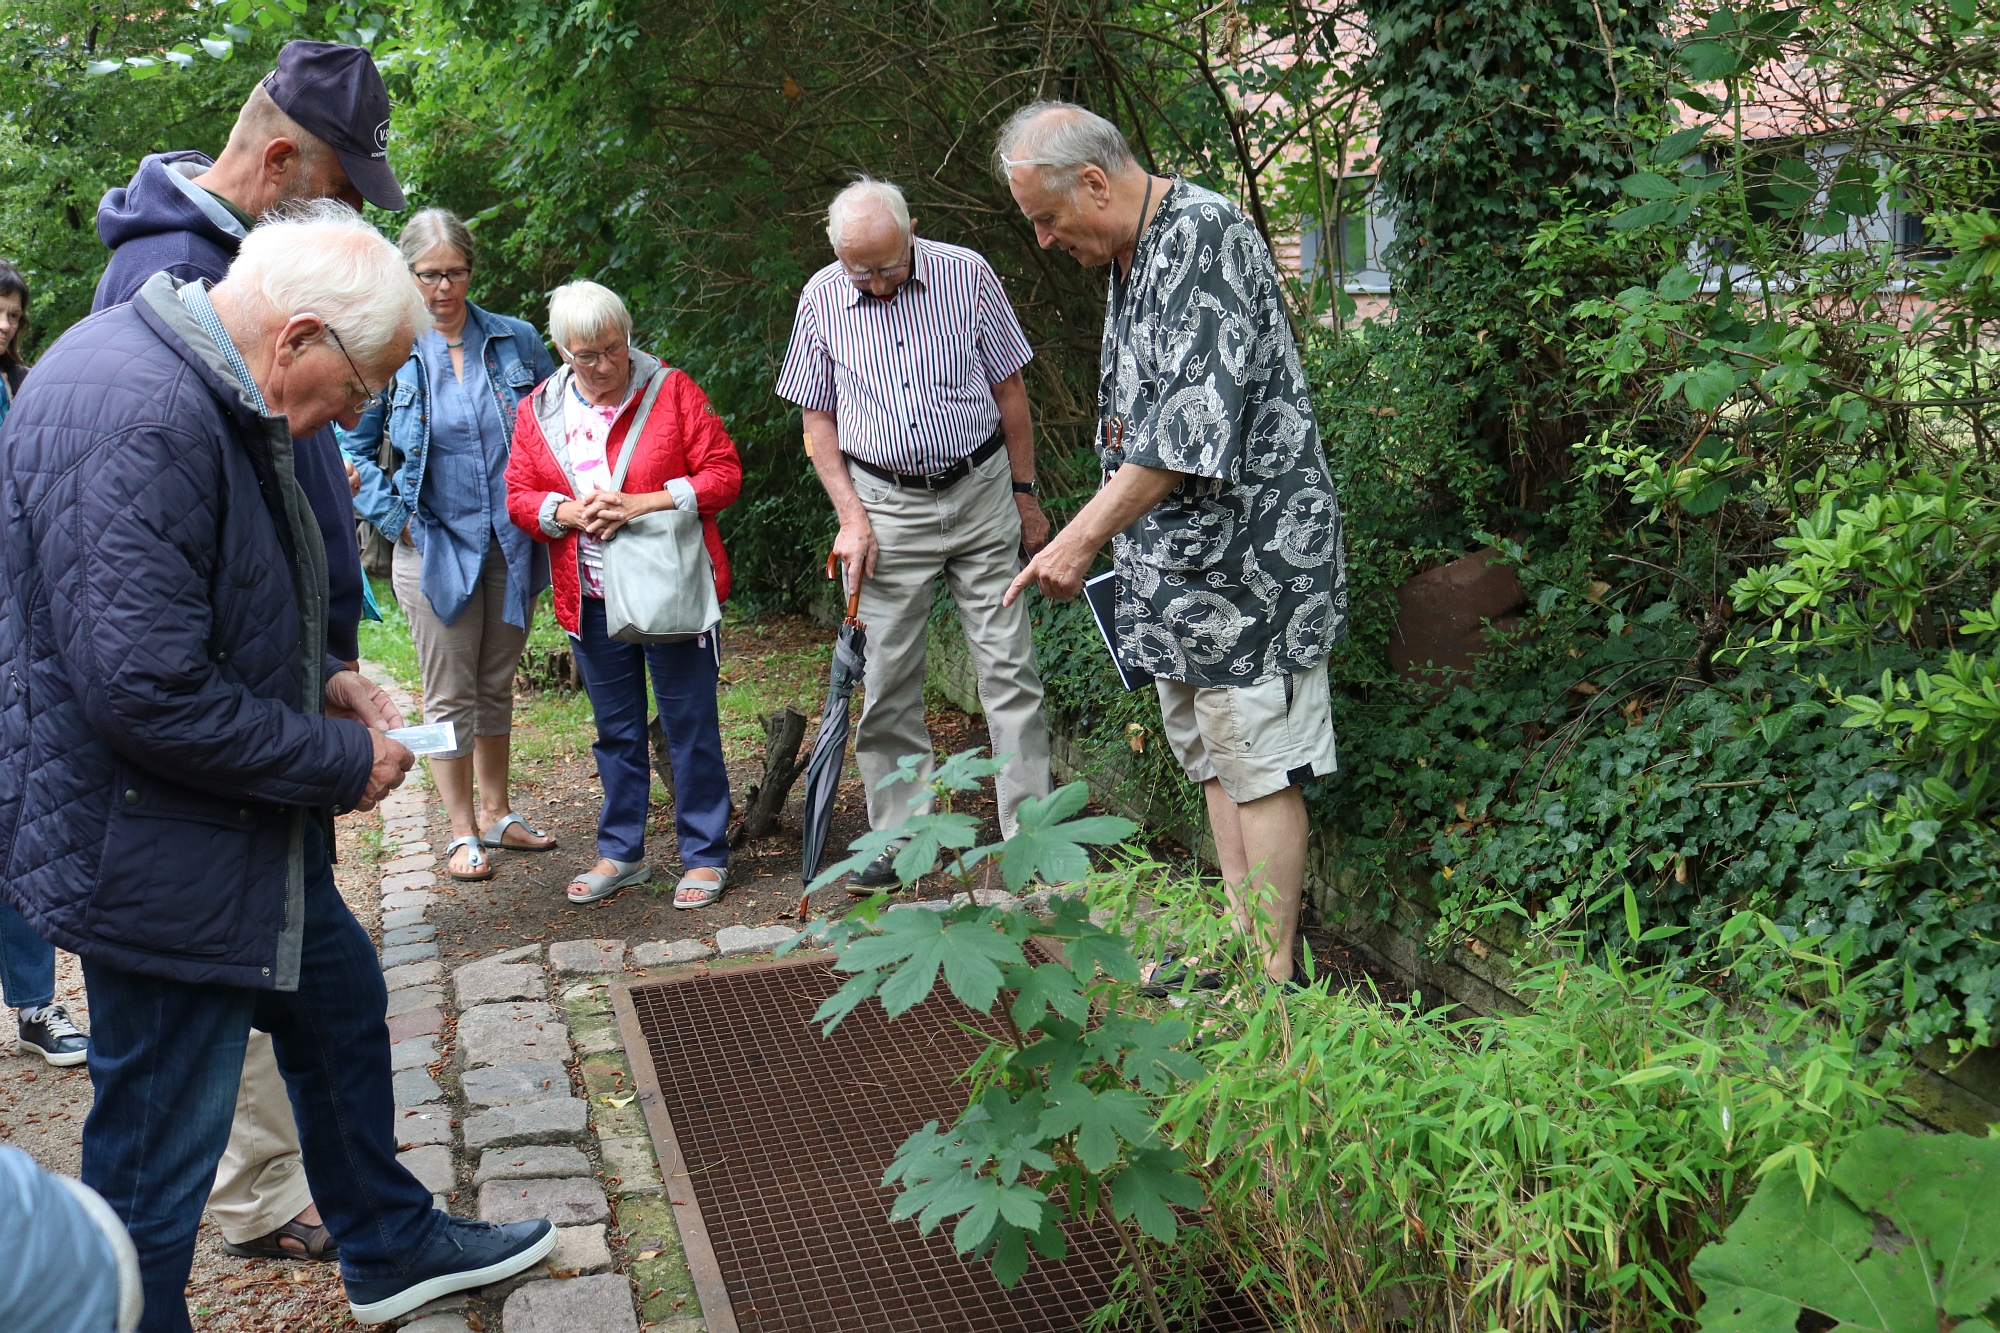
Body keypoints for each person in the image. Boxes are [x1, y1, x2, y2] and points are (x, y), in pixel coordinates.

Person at [0, 204, 555, 1333]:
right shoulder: (142, 413)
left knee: (340, 1008)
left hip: (225, 829)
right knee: (155, 1163)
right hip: (155, 850)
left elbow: (223, 600)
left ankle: (389, 1243)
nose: (353, 413)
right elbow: (146, 689)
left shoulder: (212, 385)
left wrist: (330, 675)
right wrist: (335, 757)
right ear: (298, 336)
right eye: (359, 386)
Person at [90, 38, 406, 1265]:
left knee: (330, 985)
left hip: (267, 720)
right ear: (278, 161)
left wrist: (326, 648)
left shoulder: (237, 268)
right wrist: (310, 740)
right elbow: (152, 631)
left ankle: (383, 1226)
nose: (341, 212)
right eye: (333, 185)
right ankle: (262, 1199)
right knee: (182, 1067)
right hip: (198, 790)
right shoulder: (168, 286)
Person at [996, 102, 1347, 988]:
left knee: (1260, 764)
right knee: (1215, 758)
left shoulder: (1204, 237)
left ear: (1095, 183)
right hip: (1181, 571)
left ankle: (1272, 984)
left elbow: (1185, 439)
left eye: (1045, 217)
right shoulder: (1131, 247)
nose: (1042, 240)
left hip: (1249, 565)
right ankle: (1239, 949)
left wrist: (1074, 540)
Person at [774, 177, 1054, 888]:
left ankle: (1033, 839)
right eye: (857, 270)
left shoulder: (967, 274)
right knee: (887, 680)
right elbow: (817, 423)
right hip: (884, 507)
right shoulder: (819, 297)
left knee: (1010, 672)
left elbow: (1010, 392)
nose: (871, 284)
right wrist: (849, 515)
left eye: (886, 268)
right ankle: (902, 840)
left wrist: (1024, 494)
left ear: (912, 233)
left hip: (981, 489)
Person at [505, 282, 742, 907]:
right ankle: (621, 852)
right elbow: (519, 496)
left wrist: (644, 501)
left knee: (690, 725)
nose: (606, 365)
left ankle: (705, 856)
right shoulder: (539, 411)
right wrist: (565, 511)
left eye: (615, 348)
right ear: (561, 350)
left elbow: (724, 474)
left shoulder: (672, 391)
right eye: (587, 355)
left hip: (671, 592)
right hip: (589, 594)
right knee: (616, 731)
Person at [345, 209, 558, 883]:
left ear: (472, 269)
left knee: (496, 683)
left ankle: (496, 812)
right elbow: (348, 443)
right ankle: (460, 829)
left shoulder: (516, 340)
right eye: (430, 275)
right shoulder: (391, 345)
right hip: (432, 547)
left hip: (512, 541)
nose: (443, 288)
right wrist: (396, 517)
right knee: (448, 693)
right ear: (409, 275)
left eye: (455, 272)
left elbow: (558, 420)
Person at [0, 260, 93, 1068]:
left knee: (20, 819)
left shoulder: (29, 392)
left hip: (20, 636)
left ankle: (33, 1004)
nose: (3, 325)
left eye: (12, 314)